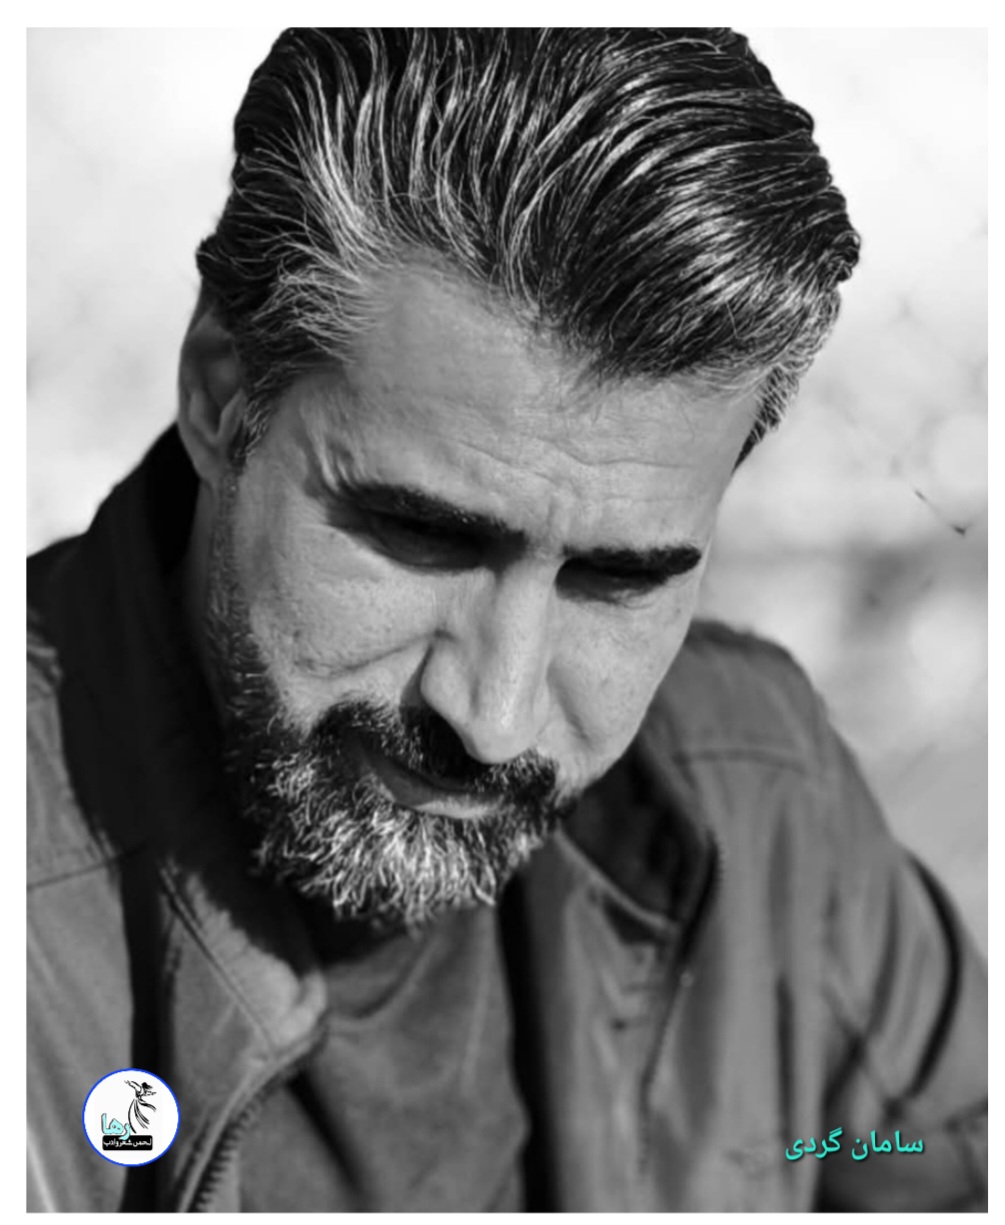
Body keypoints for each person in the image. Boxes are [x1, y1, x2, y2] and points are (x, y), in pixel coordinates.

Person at [27, 28, 986, 1212]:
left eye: (616, 581)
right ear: (224, 394)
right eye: (421, 535)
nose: (493, 714)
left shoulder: (762, 804)